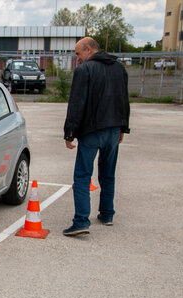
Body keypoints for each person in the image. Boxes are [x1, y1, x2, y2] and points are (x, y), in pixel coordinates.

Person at [62, 37, 130, 236]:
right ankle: (107, 214)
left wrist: (69, 132)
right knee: (108, 173)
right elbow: (124, 100)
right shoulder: (119, 69)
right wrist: (123, 128)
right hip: (114, 129)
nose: (77, 59)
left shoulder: (85, 71)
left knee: (82, 176)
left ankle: (81, 220)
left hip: (92, 131)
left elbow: (77, 103)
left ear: (89, 49)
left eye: (78, 54)